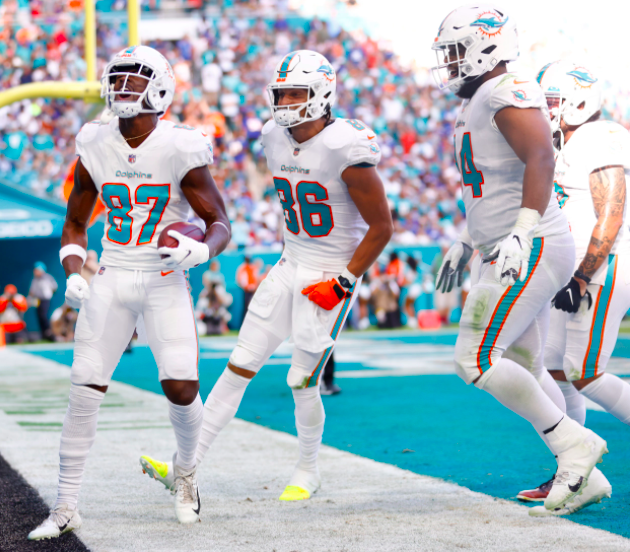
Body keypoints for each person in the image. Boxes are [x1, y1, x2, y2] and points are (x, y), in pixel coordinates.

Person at [140, 50, 392, 504]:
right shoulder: (273, 136)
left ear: (322, 93)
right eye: (280, 92)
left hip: (329, 271)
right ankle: (184, 465)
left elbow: (382, 228)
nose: (285, 101)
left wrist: (345, 281)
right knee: (239, 365)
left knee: (301, 380)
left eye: (296, 92)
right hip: (288, 263)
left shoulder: (347, 146)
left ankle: (308, 470)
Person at [28, 45, 230, 540]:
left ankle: (186, 476)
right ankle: (66, 505)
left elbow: (219, 222)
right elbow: (75, 222)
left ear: (159, 89)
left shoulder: (180, 145)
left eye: (134, 81)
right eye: (117, 79)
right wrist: (74, 270)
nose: (122, 89)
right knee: (84, 386)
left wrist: (203, 252)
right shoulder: (95, 140)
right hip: (114, 272)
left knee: (181, 384)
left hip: (164, 276)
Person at [432, 5, 606, 512]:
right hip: (507, 244)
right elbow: (494, 185)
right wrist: (468, 240)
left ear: (488, 46)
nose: (451, 62)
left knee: (473, 359)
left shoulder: (508, 88)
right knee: (523, 365)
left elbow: (540, 158)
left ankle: (575, 447)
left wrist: (524, 230)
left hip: (530, 244)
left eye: (457, 51)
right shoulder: (483, 97)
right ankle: (578, 473)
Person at [516, 61, 630, 516]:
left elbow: (611, 212)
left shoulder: (599, 136)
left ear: (580, 101)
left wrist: (583, 273)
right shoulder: (563, 143)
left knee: (585, 371)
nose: (546, 111)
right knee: (556, 370)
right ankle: (573, 470)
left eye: (552, 102)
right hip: (577, 270)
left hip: (604, 266)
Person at [28, 261, 57, 341]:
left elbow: (54, 287)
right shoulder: (35, 279)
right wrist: (29, 299)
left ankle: (49, 332)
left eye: (36, 270)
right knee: (39, 317)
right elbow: (32, 291)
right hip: (38, 300)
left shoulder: (48, 278)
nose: (35, 272)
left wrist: (49, 294)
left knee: (44, 316)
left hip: (45, 300)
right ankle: (43, 334)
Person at [235, 255, 259, 321]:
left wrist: (254, 287)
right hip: (246, 291)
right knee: (246, 307)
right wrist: (246, 287)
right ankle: (244, 322)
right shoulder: (242, 267)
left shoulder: (253, 267)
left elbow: (255, 278)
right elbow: (239, 280)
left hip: (253, 290)